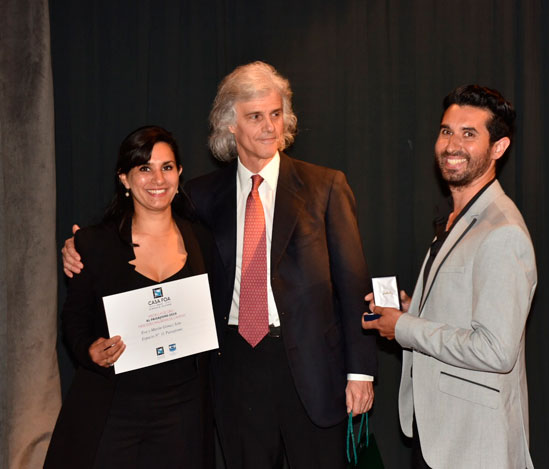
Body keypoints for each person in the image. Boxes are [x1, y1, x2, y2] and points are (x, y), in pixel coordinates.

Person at [62, 62, 377, 469]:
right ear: (231, 125)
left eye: (276, 114)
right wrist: (78, 246)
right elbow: (150, 229)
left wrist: (361, 373)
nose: (269, 127)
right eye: (255, 117)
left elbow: (354, 286)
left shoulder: (325, 186)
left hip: (313, 369)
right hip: (234, 369)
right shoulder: (201, 196)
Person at [362, 85, 537, 469]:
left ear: (499, 148)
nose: (452, 144)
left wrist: (405, 327)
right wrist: (411, 309)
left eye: (469, 134)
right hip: (441, 434)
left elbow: (495, 350)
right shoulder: (458, 219)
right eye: (446, 131)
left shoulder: (502, 232)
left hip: (474, 443)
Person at [46, 126, 213, 469]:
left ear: (180, 174)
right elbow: (73, 319)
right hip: (114, 407)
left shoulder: (202, 241)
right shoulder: (93, 244)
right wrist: (89, 350)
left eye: (167, 167)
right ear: (124, 178)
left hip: (183, 408)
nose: (157, 179)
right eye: (144, 168)